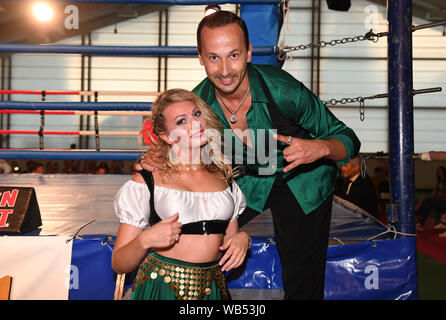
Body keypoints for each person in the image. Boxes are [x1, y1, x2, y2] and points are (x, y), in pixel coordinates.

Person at [139, 11, 360, 300]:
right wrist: (156, 159)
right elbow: (171, 143)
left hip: (301, 181)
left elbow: (348, 139)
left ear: (249, 53)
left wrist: (321, 148)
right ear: (201, 58)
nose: (225, 69)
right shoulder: (199, 105)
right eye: (214, 57)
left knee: (302, 279)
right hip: (245, 180)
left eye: (233, 55)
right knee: (194, 236)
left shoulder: (283, 91)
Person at [112, 89, 250, 300]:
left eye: (196, 114)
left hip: (213, 291)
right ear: (167, 136)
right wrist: (144, 241)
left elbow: (227, 244)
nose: (195, 124)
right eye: (181, 121)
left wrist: (243, 239)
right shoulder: (149, 177)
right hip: (160, 290)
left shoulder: (224, 175)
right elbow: (119, 263)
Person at [416, 166, 446, 230]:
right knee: (427, 204)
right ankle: (420, 224)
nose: (439, 173)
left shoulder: (444, 182)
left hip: (443, 201)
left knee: (426, 198)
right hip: (438, 200)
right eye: (438, 171)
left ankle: (416, 212)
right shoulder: (438, 182)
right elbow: (434, 194)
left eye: (440, 171)